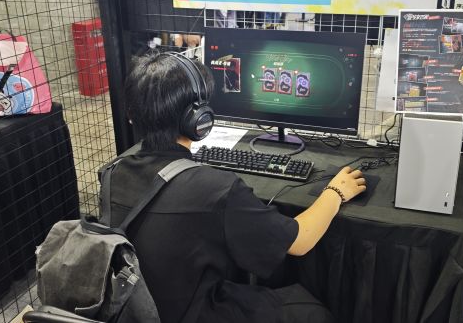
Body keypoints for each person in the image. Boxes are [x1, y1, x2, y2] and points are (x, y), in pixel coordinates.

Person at [109, 52, 366, 323]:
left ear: (131, 114)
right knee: (311, 312)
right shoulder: (214, 189)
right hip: (196, 313)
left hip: (134, 310)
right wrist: (335, 192)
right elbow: (300, 241)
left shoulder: (114, 173)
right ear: (198, 118)